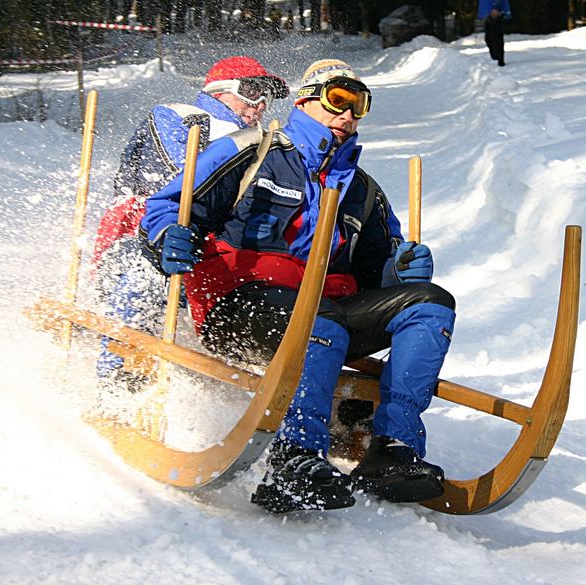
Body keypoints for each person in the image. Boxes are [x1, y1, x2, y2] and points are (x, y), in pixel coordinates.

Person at [139, 59, 457, 514]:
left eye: (359, 104)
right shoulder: (252, 150)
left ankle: (391, 449)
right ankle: (296, 456)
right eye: (338, 100)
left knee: (431, 305)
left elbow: (376, 272)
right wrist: (168, 235)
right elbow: (170, 205)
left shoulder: (362, 190)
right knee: (315, 316)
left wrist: (399, 269)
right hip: (240, 307)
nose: (348, 115)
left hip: (327, 313)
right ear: (307, 99)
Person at [93, 56, 289, 388]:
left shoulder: (259, 142)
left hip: (208, 251)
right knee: (147, 274)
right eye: (252, 92)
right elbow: (182, 180)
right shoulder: (179, 116)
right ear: (220, 91)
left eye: (265, 99)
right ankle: (118, 372)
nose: (259, 106)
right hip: (145, 240)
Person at [479, 0, 511, 67]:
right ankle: (497, 58)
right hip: (488, 11)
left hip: (494, 12)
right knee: (489, 39)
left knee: (496, 38)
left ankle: (499, 60)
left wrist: (495, 7)